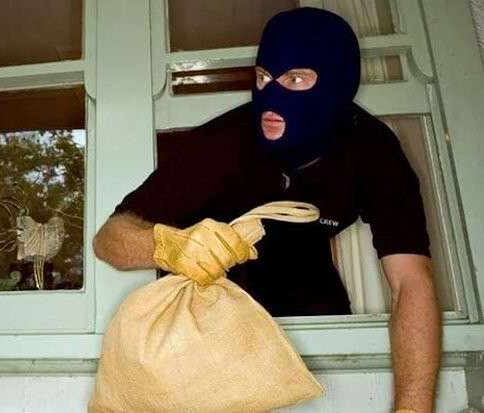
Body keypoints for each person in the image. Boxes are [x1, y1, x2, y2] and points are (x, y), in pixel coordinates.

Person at [92, 7, 440, 413]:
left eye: (295, 79)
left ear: (339, 83)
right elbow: (108, 240)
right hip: (206, 333)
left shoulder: (373, 150)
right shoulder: (220, 143)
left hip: (315, 330)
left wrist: (413, 409)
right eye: (263, 77)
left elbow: (411, 283)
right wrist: (170, 247)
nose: (272, 97)